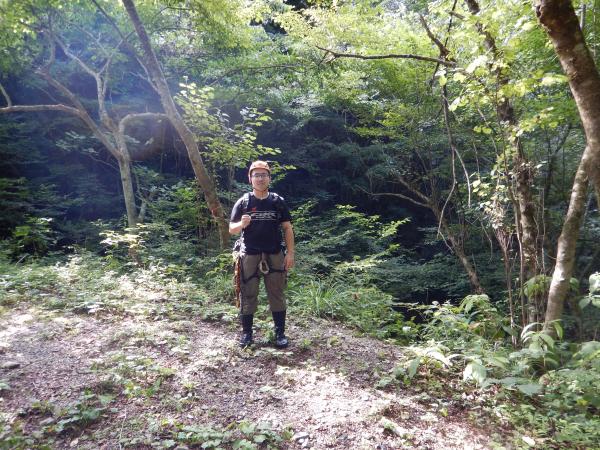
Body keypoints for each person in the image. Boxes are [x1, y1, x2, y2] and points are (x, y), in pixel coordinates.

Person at [229, 161, 295, 348]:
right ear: (250, 178)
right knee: (248, 293)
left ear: (269, 178)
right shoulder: (243, 202)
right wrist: (242, 224)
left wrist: (290, 253)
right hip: (249, 254)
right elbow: (232, 229)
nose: (260, 178)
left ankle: (280, 333)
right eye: (256, 175)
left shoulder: (277, 201)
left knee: (277, 293)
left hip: (274, 253)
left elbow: (287, 228)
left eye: (263, 175)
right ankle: (247, 334)